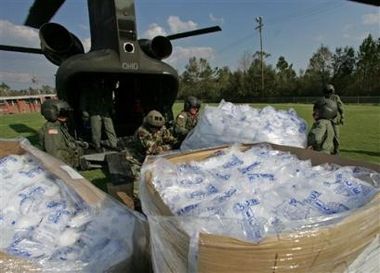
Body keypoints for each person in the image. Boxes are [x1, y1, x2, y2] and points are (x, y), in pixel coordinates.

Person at [124, 110, 177, 195]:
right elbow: (153, 150)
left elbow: (169, 138)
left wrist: (177, 142)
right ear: (148, 125)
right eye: (154, 127)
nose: (157, 130)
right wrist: (169, 147)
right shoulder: (142, 132)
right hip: (137, 158)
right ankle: (138, 202)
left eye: (158, 127)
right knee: (139, 179)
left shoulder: (161, 127)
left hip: (150, 158)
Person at [39, 99, 88, 169]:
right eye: (62, 113)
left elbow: (65, 143)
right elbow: (55, 154)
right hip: (64, 167)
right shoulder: (52, 130)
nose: (66, 115)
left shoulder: (59, 126)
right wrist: (73, 161)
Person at [80, 79, 118, 152]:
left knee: (110, 128)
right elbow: (83, 100)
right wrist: (84, 110)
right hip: (94, 111)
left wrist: (111, 108)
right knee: (96, 130)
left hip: (104, 111)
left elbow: (108, 98)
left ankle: (114, 144)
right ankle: (97, 145)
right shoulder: (88, 89)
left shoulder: (104, 88)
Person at [323, 84, 344, 151]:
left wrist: (342, 117)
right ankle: (325, 149)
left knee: (336, 136)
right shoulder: (324, 98)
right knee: (324, 135)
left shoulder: (335, 97)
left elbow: (341, 107)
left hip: (334, 120)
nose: (327, 94)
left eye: (329, 92)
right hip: (326, 119)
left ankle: (336, 150)